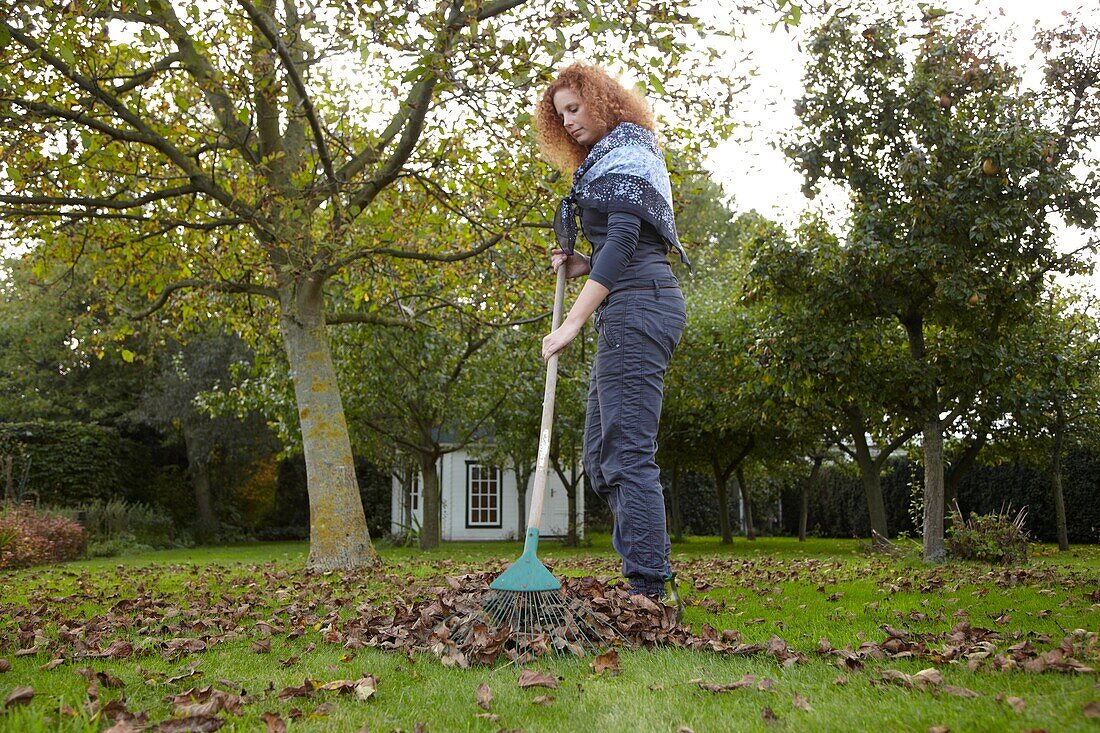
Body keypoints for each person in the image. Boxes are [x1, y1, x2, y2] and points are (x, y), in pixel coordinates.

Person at [534, 63, 688, 601]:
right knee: (601, 459)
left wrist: (572, 322)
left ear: (602, 100)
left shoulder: (630, 152)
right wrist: (583, 263)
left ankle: (647, 590)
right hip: (628, 304)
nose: (569, 122)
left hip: (640, 306)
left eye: (575, 108)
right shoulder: (606, 161)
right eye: (561, 116)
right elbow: (618, 247)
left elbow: (625, 245)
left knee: (626, 453)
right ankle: (644, 577)